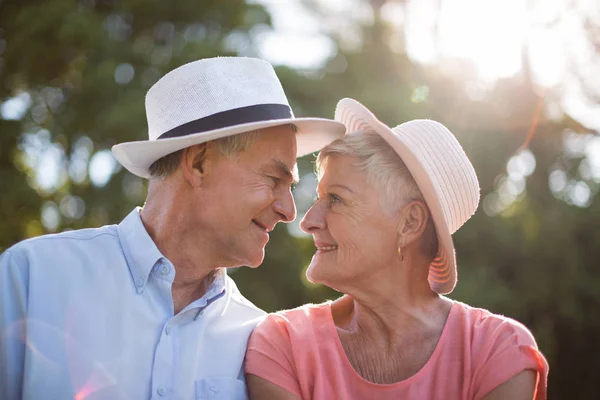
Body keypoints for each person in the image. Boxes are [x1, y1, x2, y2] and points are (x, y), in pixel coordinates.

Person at [0, 57, 345, 399]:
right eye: (273, 179)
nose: (289, 211)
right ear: (197, 163)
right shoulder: (34, 276)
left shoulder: (258, 339)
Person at [244, 98, 549, 400]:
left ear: (409, 223)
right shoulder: (282, 343)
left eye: (336, 199)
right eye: (318, 198)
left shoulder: (497, 351)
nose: (308, 221)